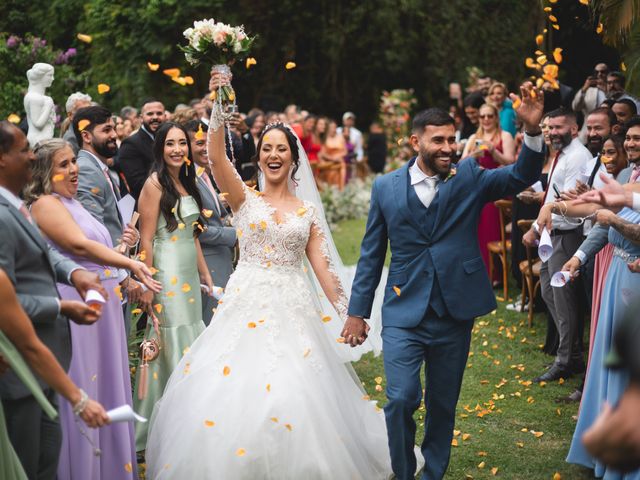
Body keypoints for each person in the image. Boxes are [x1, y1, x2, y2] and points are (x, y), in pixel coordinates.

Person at [145, 73, 396, 479]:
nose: (273, 155)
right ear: (258, 156)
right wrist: (221, 102)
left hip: (293, 310)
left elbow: (324, 270)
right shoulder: (244, 197)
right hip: (244, 306)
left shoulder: (306, 212)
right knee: (232, 392)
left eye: (282, 149)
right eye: (267, 149)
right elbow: (214, 153)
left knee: (295, 392)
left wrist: (350, 313)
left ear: (293, 159)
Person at [347, 84, 545, 480]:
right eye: (437, 140)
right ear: (415, 141)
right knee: (401, 399)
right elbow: (371, 254)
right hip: (404, 309)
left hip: (454, 310)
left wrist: (534, 131)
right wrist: (357, 312)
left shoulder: (470, 176)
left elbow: (521, 174)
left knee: (443, 404)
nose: (447, 147)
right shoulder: (386, 186)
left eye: (451, 140)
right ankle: (404, 473)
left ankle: (432, 473)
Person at [25, 138, 161, 479]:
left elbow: (95, 250)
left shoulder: (74, 203)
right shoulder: (45, 204)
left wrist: (121, 253)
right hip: (81, 306)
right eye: (63, 165)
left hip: (106, 309)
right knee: (87, 385)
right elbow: (78, 246)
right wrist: (130, 266)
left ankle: (112, 469)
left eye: (73, 162)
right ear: (44, 172)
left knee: (109, 387)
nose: (74, 170)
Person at [0, 121, 106, 480]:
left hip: (47, 361)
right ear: (1, 159)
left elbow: (45, 252)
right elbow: (7, 301)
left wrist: (75, 274)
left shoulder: (16, 205)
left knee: (48, 464)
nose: (31, 156)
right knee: (25, 466)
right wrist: (60, 306)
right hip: (18, 368)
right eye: (22, 150)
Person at [133, 122, 210, 451]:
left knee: (191, 333)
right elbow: (146, 238)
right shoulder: (154, 184)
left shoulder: (186, 180)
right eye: (170, 144)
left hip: (189, 275)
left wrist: (205, 274)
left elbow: (192, 234)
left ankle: (193, 416)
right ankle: (163, 425)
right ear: (160, 149)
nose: (178, 149)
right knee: (171, 340)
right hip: (165, 273)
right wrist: (148, 281)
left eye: (182, 143)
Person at [0, 268, 109, 480]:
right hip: (17, 373)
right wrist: (80, 401)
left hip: (38, 368)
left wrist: (74, 273)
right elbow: (30, 347)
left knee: (47, 459)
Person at [523, 108, 592, 383]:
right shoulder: (561, 154)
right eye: (549, 127)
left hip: (568, 235)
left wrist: (539, 227)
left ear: (574, 129)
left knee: (562, 299)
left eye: (558, 127)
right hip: (554, 235)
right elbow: (554, 194)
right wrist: (536, 227)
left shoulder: (577, 157)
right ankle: (571, 353)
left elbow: (572, 204)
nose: (552, 132)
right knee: (551, 294)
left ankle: (566, 360)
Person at [184, 119, 236, 321]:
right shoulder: (187, 179)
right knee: (212, 323)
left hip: (221, 260)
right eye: (199, 144)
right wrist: (235, 235)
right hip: (207, 263)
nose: (205, 149)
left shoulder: (204, 174)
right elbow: (197, 229)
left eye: (208, 143)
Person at [462, 103, 516, 283]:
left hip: (497, 188)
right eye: (482, 116)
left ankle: (496, 275)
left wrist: (494, 152)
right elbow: (461, 165)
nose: (486, 119)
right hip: (476, 189)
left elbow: (511, 163)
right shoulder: (473, 137)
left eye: (489, 116)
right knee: (474, 230)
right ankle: (477, 273)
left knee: (491, 223)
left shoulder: (505, 136)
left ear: (496, 118)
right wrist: (473, 156)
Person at [119, 99, 166, 201]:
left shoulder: (169, 139)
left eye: (159, 113)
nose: (155, 117)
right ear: (141, 118)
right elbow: (138, 184)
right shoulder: (130, 144)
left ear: (165, 116)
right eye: (150, 114)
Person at [572, 64, 608, 143]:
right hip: (587, 133)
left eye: (603, 72)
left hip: (607, 132)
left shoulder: (611, 89)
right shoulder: (588, 90)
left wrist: (606, 89)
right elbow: (576, 107)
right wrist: (584, 88)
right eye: (596, 72)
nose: (599, 74)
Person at [23, 63, 56, 147]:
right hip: (39, 142)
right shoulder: (35, 98)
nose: (52, 79)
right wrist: (48, 106)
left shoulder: (34, 96)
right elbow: (38, 124)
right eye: (50, 75)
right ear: (40, 76)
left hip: (43, 141)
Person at [318, 119, 347, 189]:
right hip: (329, 162)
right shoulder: (325, 138)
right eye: (331, 127)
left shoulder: (340, 137)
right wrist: (332, 158)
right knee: (332, 173)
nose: (333, 129)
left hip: (340, 161)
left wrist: (339, 157)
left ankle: (341, 189)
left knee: (342, 167)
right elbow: (322, 153)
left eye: (335, 127)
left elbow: (345, 151)